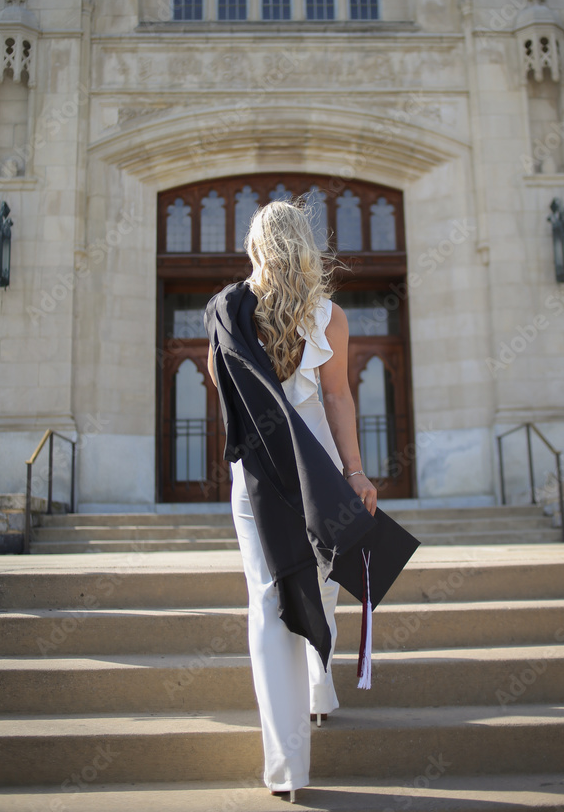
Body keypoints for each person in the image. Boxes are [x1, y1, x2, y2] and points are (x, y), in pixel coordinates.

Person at [206, 199, 377, 803]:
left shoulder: (227, 314)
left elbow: (225, 397)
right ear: (305, 246)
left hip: (258, 480)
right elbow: (337, 401)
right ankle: (319, 692)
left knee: (269, 600)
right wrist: (353, 473)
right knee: (320, 584)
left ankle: (287, 766)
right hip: (320, 476)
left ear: (255, 246)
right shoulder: (329, 317)